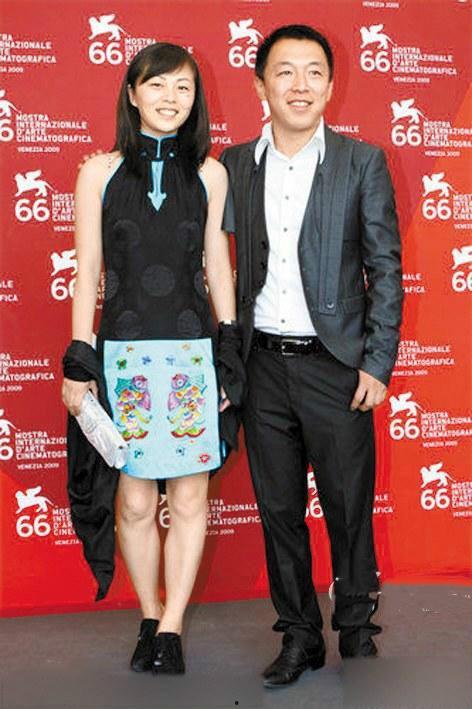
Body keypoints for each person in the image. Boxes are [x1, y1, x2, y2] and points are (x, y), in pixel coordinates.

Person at [220, 25, 403, 688]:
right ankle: (299, 634)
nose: (300, 86)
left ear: (330, 84)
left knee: (348, 506)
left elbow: (386, 268)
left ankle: (355, 625)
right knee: (278, 511)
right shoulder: (233, 166)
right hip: (262, 366)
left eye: (314, 72)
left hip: (336, 366)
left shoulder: (362, 162)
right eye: (285, 72)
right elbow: (211, 264)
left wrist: (376, 362)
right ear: (260, 85)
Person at [62, 42, 241, 676]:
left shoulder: (211, 174)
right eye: (158, 85)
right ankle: (148, 612)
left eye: (184, 87)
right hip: (124, 357)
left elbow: (217, 266)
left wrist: (229, 349)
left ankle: (171, 628)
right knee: (135, 503)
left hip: (192, 357)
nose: (171, 97)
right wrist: (79, 358)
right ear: (132, 94)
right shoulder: (98, 173)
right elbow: (87, 271)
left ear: (196, 100)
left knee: (189, 500)